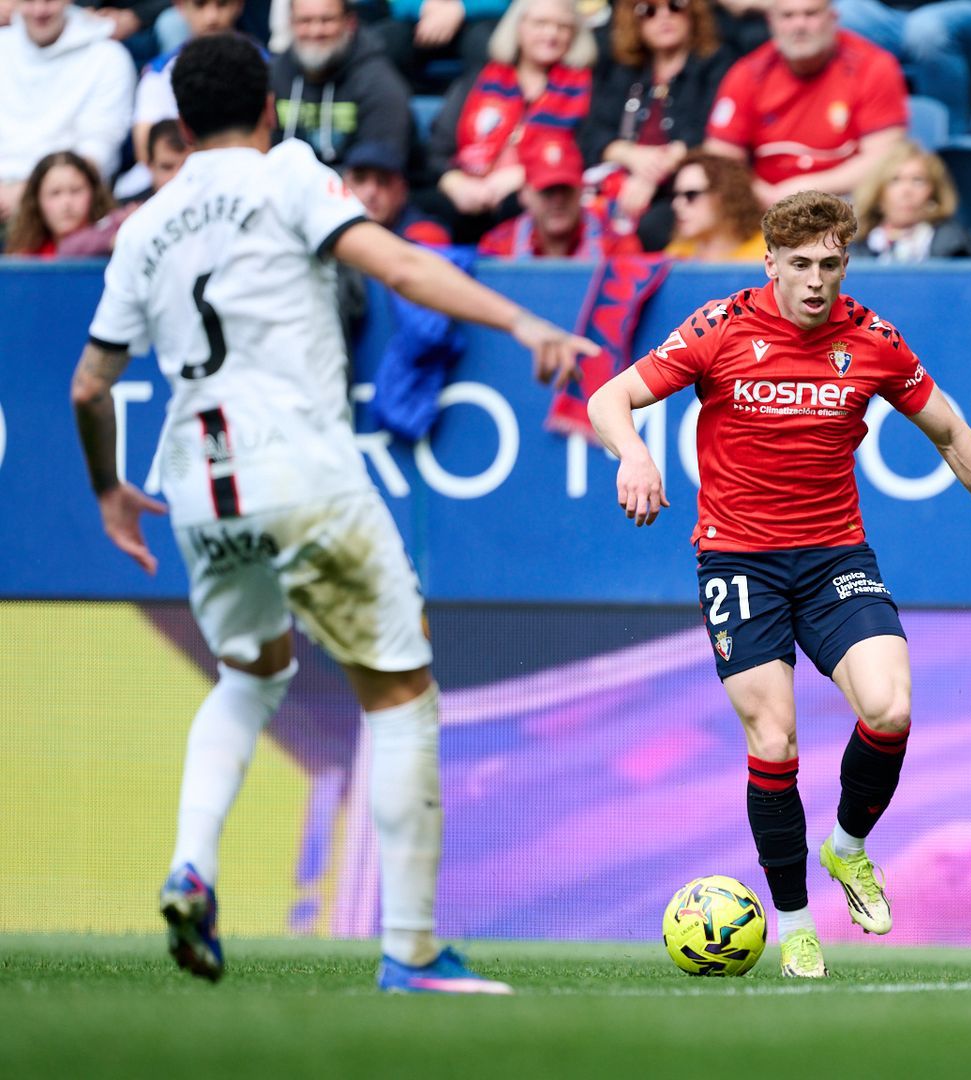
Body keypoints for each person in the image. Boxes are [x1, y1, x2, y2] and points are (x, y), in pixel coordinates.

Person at [70, 32, 595, 993]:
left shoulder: (144, 224)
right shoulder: (288, 177)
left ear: (177, 126)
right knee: (399, 694)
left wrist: (110, 489)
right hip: (304, 475)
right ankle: (412, 951)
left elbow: (88, 386)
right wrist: (520, 320)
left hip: (198, 486)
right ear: (270, 107)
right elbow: (396, 266)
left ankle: (193, 863)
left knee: (249, 672)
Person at [584, 190, 971, 978]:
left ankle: (848, 847)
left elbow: (950, 431)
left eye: (828, 265)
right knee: (774, 742)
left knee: (891, 708)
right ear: (769, 261)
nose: (813, 281)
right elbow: (609, 397)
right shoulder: (720, 327)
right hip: (738, 562)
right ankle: (796, 924)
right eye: (797, 264)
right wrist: (633, 453)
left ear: (846, 262)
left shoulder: (873, 340)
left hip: (835, 556)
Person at [705, 0, 909, 206]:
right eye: (788, 16)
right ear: (771, 22)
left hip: (847, 201)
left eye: (810, 14)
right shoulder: (747, 73)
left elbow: (884, 157)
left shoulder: (873, 66)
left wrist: (808, 189)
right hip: (763, 203)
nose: (799, 25)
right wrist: (762, 194)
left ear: (833, 18)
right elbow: (719, 156)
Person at [426, 0, 596, 240]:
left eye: (563, 27)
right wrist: (455, 183)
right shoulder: (480, 80)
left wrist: (523, 175)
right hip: (467, 190)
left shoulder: (585, 88)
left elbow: (586, 154)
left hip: (539, 194)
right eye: (540, 23)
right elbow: (438, 149)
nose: (551, 34)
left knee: (519, 206)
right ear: (518, 27)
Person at [582, 0, 734, 249]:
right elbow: (592, 134)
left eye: (675, 6)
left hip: (682, 188)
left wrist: (653, 173)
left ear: (692, 11)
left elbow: (709, 133)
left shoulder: (715, 64)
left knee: (654, 227)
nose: (664, 17)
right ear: (635, 19)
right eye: (649, 10)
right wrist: (632, 155)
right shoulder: (623, 69)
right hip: (619, 183)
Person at [0, 0, 137, 223]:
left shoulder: (109, 57)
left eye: (48, 1)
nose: (39, 10)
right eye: (29, 0)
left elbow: (98, 150)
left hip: (68, 206)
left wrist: (31, 194)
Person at [270, 0, 413, 173]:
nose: (315, 31)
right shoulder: (273, 76)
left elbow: (376, 175)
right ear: (291, 23)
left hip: (352, 196)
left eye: (327, 20)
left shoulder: (380, 82)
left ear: (350, 23)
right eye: (305, 21)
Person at [833, 0, 971, 133]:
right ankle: (843, 138)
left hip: (969, 14)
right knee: (840, 16)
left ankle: (948, 145)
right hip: (892, 15)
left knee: (926, 30)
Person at [131, 0, 245, 187]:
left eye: (222, 4)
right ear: (181, 6)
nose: (212, 17)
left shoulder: (266, 67)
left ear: (239, 5)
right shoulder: (159, 73)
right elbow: (147, 152)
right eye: (200, 5)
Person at [477, 133, 637, 257]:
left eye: (565, 188)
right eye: (547, 191)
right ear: (524, 194)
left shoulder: (617, 247)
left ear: (581, 189)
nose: (558, 200)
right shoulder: (497, 247)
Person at [851, 140, 971, 260]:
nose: (906, 191)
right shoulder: (854, 248)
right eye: (895, 180)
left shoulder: (953, 245)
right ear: (878, 194)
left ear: (934, 194)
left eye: (918, 180)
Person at [3, 149, 115, 256]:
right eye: (55, 193)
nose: (66, 202)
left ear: (94, 194)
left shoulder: (116, 242)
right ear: (36, 201)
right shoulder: (23, 258)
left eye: (75, 190)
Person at [661, 148, 767, 259]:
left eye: (691, 195)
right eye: (675, 195)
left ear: (725, 195)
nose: (676, 204)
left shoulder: (766, 255)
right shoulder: (676, 255)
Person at [374, 0, 511, 84]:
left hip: (482, 20)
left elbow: (514, 5)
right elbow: (395, 5)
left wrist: (460, 9)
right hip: (425, 18)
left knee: (487, 43)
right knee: (382, 40)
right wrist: (423, 6)